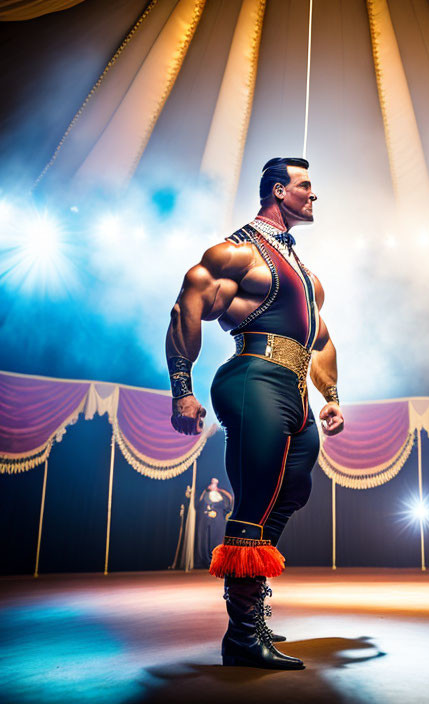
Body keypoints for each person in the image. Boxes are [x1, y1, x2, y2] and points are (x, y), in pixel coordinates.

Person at [166, 156, 344, 670]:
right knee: (256, 496)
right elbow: (186, 307)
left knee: (292, 493)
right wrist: (182, 389)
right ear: (276, 190)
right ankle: (242, 635)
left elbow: (323, 340)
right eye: (305, 186)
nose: (313, 195)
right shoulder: (239, 253)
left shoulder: (306, 276)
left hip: (296, 391)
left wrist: (331, 397)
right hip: (253, 379)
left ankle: (251, 613)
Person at [196, 478, 233, 568]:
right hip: (206, 520)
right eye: (212, 483)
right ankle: (206, 561)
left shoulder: (223, 495)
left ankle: (218, 561)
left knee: (218, 540)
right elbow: (200, 505)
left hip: (219, 520)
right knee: (206, 539)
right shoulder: (205, 494)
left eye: (215, 483)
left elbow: (228, 505)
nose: (214, 484)